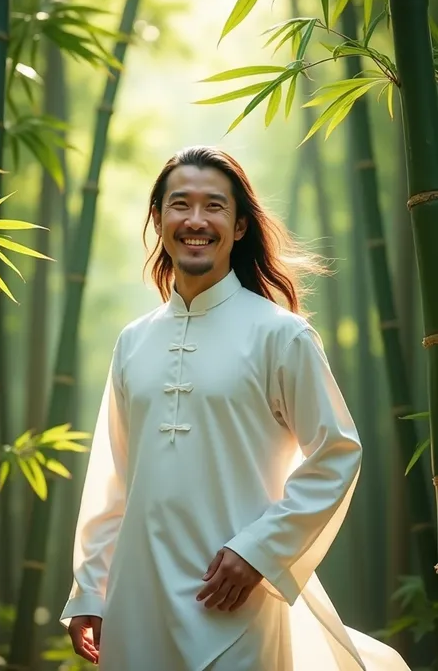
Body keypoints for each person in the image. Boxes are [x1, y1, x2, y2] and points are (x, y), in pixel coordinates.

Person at [61, 146, 410, 670]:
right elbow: (113, 478)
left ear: (240, 226)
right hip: (137, 602)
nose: (195, 220)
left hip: (236, 602)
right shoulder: (133, 343)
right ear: (158, 218)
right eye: (180, 204)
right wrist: (90, 589)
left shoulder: (280, 334)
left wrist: (259, 552)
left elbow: (336, 452)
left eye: (214, 207)